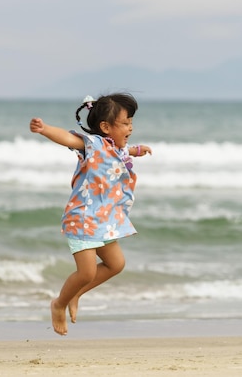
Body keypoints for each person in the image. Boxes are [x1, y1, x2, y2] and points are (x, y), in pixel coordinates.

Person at [29, 92, 152, 335]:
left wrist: (139, 150)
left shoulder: (118, 147)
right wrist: (44, 130)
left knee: (116, 264)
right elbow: (67, 138)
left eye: (131, 122)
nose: (131, 127)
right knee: (87, 272)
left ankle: (76, 294)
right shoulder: (93, 145)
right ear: (106, 127)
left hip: (105, 220)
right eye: (126, 123)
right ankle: (59, 304)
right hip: (84, 219)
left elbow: (125, 153)